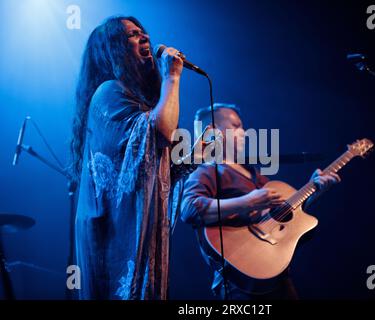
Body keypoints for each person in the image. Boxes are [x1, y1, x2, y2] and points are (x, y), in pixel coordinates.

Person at [70, 16, 183, 300]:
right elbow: (160, 132)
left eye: (143, 32)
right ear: (113, 50)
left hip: (125, 234)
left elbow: (144, 169)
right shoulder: (108, 93)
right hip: (111, 237)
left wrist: (192, 159)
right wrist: (172, 77)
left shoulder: (137, 101)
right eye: (132, 35)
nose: (144, 37)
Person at [180, 104, 341, 299]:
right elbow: (189, 209)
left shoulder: (255, 175)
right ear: (214, 131)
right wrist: (246, 202)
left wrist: (315, 190)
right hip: (237, 283)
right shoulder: (207, 170)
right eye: (236, 126)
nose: (244, 132)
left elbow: (284, 215)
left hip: (276, 272)